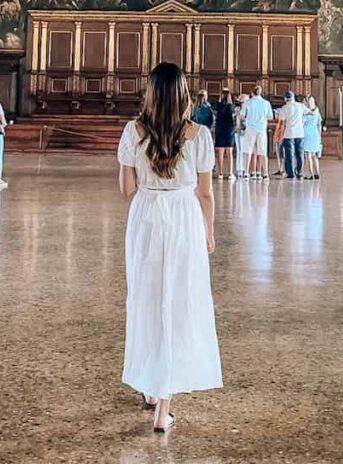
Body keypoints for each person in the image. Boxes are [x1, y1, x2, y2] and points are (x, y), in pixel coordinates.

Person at [117, 62, 222, 432]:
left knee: (146, 299)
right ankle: (163, 409)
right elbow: (205, 193)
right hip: (184, 216)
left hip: (146, 216)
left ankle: (150, 385)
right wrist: (208, 231)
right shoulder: (200, 135)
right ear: (183, 96)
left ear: (149, 94)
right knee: (178, 300)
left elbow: (126, 189)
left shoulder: (133, 131)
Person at [241, 85, 273, 181]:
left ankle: (246, 173)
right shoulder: (266, 103)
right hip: (261, 129)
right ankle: (265, 174)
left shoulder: (248, 102)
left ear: (252, 93)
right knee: (263, 152)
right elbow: (270, 116)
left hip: (250, 128)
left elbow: (242, 115)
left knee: (248, 151)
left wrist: (249, 119)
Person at [276, 90, 305, 179]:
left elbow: (283, 122)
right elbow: (310, 112)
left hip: (289, 133)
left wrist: (281, 136)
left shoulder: (284, 108)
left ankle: (291, 173)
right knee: (300, 153)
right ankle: (299, 172)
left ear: (285, 99)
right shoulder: (301, 106)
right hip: (300, 132)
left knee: (289, 154)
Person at [214, 89, 236, 181]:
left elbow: (216, 110)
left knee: (220, 153)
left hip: (220, 130)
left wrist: (221, 96)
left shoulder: (218, 106)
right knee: (229, 153)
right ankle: (230, 173)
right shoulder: (231, 106)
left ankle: (220, 173)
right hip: (229, 130)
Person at [301, 94, 321, 180]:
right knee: (314, 155)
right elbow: (319, 124)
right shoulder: (317, 111)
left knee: (307, 155)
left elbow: (301, 123)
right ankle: (317, 173)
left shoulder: (306, 113)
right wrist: (319, 135)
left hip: (307, 133)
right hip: (315, 133)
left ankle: (311, 174)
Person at [234, 94, 248, 177]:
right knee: (240, 150)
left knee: (241, 150)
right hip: (240, 130)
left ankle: (241, 168)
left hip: (241, 130)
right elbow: (238, 121)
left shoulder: (240, 109)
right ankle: (240, 168)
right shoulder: (239, 109)